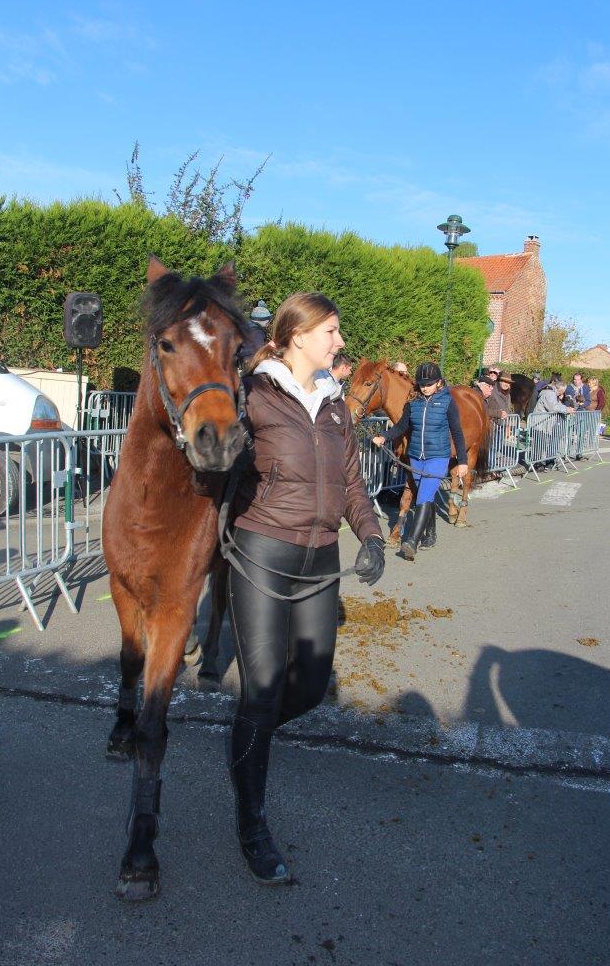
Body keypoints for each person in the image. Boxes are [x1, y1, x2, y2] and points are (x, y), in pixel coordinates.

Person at [227, 292, 385, 884]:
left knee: (312, 687)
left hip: (322, 556)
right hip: (263, 550)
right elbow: (217, 461)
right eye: (332, 333)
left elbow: (349, 479)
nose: (339, 343)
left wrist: (370, 536)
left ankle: (248, 734)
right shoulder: (254, 395)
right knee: (263, 687)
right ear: (297, 335)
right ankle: (252, 823)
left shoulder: (336, 405)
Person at [372, 361, 467, 560]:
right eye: (422, 384)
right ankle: (430, 535)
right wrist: (385, 437)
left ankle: (411, 542)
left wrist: (463, 461)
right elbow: (401, 427)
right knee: (427, 495)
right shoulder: (413, 404)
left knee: (423, 496)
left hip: (438, 457)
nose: (425, 387)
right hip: (416, 457)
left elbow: (457, 432)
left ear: (439, 383)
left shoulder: (447, 402)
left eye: (429, 383)